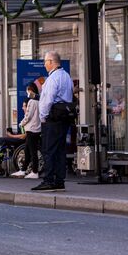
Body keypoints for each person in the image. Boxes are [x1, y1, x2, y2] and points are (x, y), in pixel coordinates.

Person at [33, 51, 75, 192]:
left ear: (51, 62)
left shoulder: (52, 78)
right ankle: (59, 180)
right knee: (60, 150)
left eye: (45, 62)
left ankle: (49, 180)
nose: (44, 65)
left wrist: (43, 117)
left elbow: (47, 100)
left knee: (48, 149)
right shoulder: (66, 76)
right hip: (64, 116)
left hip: (53, 117)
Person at [12, 82, 41, 178]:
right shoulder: (39, 101)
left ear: (31, 91)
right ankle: (23, 170)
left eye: (28, 91)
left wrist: (22, 123)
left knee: (32, 152)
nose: (27, 93)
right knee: (27, 151)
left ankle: (35, 172)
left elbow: (28, 116)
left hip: (31, 129)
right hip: (36, 129)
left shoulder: (32, 102)